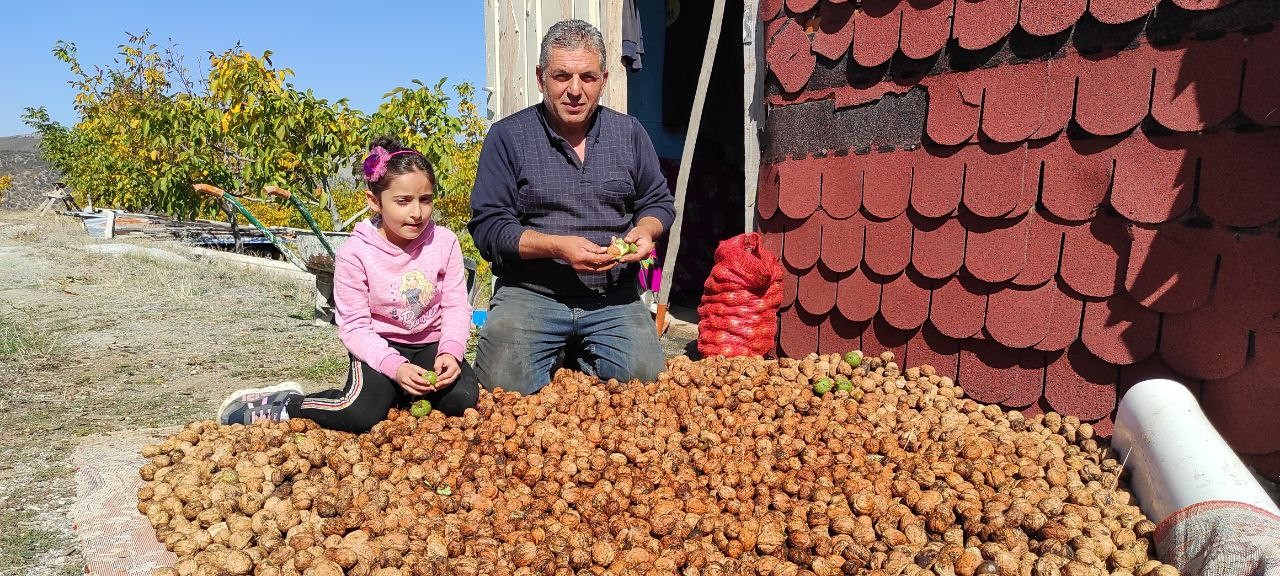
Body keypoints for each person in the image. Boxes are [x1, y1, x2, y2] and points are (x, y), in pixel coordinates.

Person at [217, 137, 479, 432]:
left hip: (430, 343)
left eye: (425, 199)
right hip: (379, 345)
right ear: (374, 201)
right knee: (359, 413)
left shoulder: (444, 242)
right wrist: (395, 367)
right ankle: (288, 403)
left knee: (463, 399)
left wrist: (450, 352)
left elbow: (456, 306)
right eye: (403, 201)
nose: (417, 212)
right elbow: (354, 327)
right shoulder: (356, 252)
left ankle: (398, 394)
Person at [469, 19, 675, 394]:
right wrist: (557, 247)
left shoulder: (629, 133)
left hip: (612, 297)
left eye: (588, 77)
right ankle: (562, 355)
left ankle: (573, 356)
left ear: (604, 79)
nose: (575, 90)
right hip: (531, 293)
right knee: (503, 385)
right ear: (541, 78)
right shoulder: (508, 137)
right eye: (562, 76)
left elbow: (657, 201)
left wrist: (645, 231)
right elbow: (489, 227)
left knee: (645, 380)